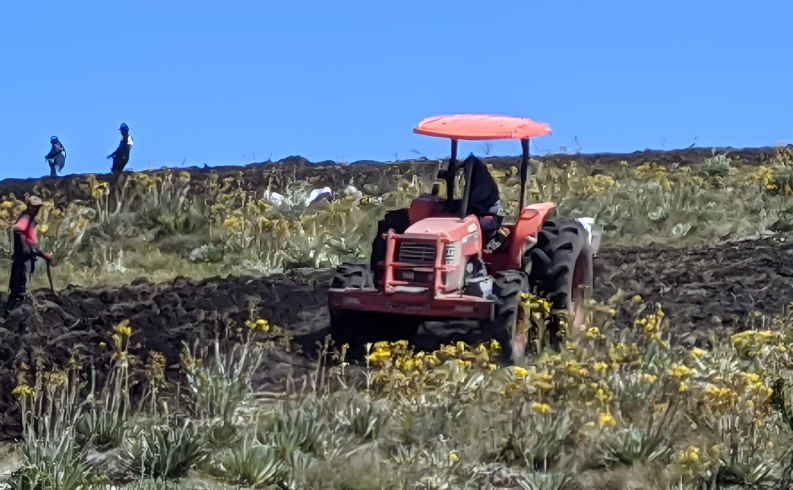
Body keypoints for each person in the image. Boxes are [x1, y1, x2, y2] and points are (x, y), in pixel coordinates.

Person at [4, 196, 52, 316]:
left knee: (21, 289)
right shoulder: (25, 218)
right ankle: (10, 317)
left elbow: (32, 245)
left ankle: (10, 315)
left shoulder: (30, 220)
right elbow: (18, 230)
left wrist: (42, 254)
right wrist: (25, 247)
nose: (37, 210)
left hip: (29, 258)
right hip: (23, 260)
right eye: (35, 208)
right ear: (30, 207)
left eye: (38, 208)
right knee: (19, 291)